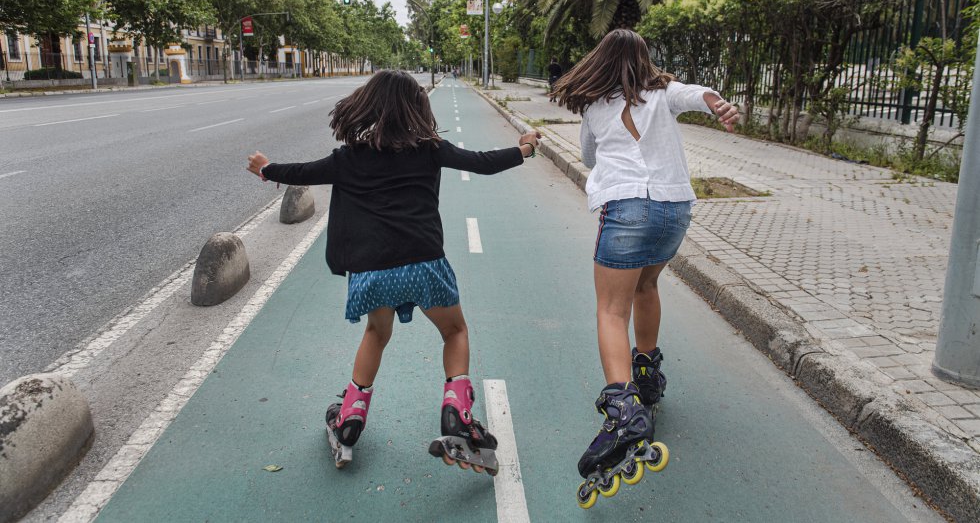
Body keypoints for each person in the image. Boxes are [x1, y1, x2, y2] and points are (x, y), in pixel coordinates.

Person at [246, 70, 541, 473]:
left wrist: (266, 169)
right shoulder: (430, 149)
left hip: (371, 272)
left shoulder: (348, 157)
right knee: (454, 331)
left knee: (376, 333)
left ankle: (350, 419)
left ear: (367, 105)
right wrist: (524, 149)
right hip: (425, 264)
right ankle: (457, 416)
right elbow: (482, 163)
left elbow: (302, 173)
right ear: (416, 109)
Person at [550, 29, 739, 508]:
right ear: (644, 59)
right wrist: (718, 103)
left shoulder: (594, 106)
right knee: (647, 286)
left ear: (600, 61)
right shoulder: (662, 92)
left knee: (611, 310)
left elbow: (591, 158)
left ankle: (622, 409)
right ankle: (647, 375)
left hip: (628, 207)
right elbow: (698, 94)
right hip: (674, 210)